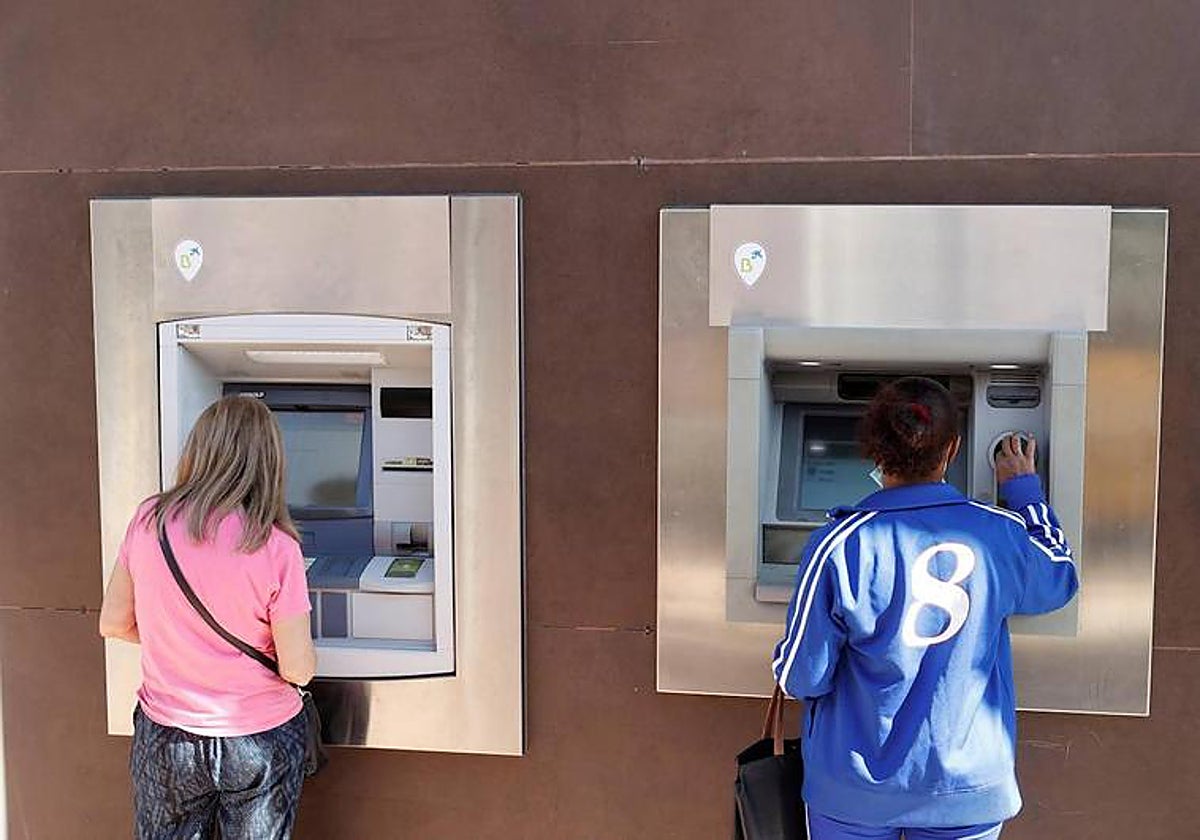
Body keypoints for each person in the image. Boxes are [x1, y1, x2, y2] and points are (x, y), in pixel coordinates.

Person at [772, 377, 1078, 840]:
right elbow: (1059, 576)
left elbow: (802, 676)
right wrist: (1024, 492)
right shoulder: (998, 532)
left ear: (874, 452)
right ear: (953, 448)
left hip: (853, 793)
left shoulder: (838, 543)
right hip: (965, 788)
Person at [99, 395, 317, 840]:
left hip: (167, 736)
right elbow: (298, 669)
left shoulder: (149, 521)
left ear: (199, 449)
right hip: (259, 738)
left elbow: (114, 622)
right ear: (269, 463)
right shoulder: (277, 547)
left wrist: (181, 639)